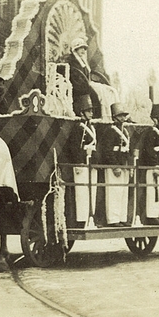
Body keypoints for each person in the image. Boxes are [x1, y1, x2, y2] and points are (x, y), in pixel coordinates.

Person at [99, 102, 132, 227]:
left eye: (124, 116)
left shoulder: (125, 131)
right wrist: (114, 166)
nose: (123, 118)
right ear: (115, 116)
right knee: (114, 192)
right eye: (121, 115)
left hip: (123, 164)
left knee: (123, 192)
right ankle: (113, 219)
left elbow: (127, 149)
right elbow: (107, 150)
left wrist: (127, 165)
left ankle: (122, 218)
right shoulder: (110, 131)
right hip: (114, 166)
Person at [139, 103, 159, 225]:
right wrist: (155, 165)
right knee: (153, 191)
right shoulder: (151, 132)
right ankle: (152, 216)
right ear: (154, 119)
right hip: (155, 166)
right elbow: (149, 150)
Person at [70, 94, 98, 228]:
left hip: (90, 162)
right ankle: (82, 219)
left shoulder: (91, 127)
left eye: (92, 111)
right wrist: (80, 159)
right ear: (82, 112)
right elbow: (74, 147)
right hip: (81, 163)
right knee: (81, 193)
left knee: (92, 191)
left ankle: (89, 216)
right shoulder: (78, 128)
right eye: (89, 110)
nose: (91, 113)